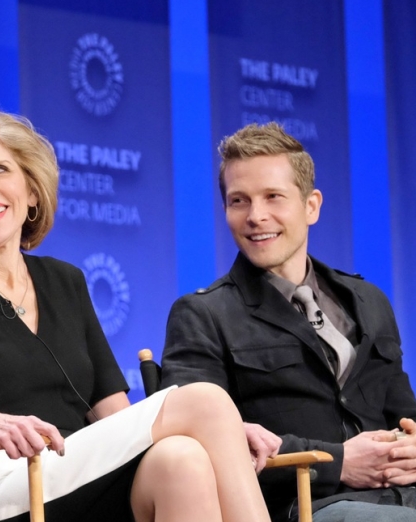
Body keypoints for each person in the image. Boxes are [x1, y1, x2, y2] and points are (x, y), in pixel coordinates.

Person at [0, 106, 271, 522]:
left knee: (182, 457)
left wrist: (220, 434)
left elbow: (117, 419)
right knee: (206, 401)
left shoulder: (64, 281)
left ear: (31, 192)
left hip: (75, 472)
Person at [161, 122, 416, 522]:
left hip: (401, 496)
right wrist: (339, 461)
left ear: (311, 205)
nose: (255, 216)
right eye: (239, 201)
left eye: (273, 197)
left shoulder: (369, 301)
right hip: (305, 508)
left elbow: (405, 413)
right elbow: (202, 441)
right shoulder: (202, 315)